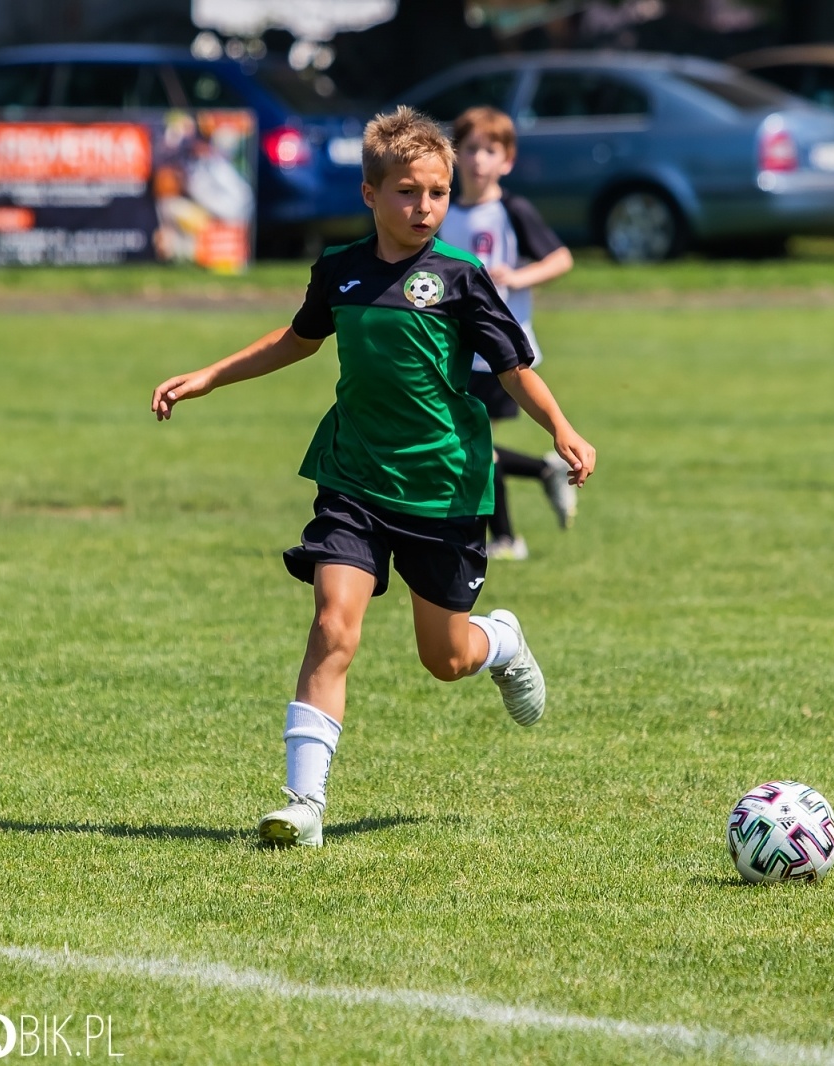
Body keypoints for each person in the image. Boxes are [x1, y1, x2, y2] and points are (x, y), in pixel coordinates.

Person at [150, 107, 596, 845]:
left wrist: (564, 430)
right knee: (333, 624)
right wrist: (208, 376)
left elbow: (515, 371)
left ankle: (504, 643)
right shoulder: (342, 272)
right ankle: (303, 804)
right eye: (407, 192)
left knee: (444, 658)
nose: (424, 208)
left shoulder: (462, 279)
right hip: (354, 478)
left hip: (442, 488)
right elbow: (295, 341)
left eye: (438, 193)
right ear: (370, 194)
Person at [438, 105, 577, 561]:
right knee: (470, 441)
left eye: (489, 150)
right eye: (471, 149)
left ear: (507, 160)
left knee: (476, 442)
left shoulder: (511, 210)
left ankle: (505, 538)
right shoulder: (441, 210)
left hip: (501, 348)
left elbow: (561, 258)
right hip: (454, 348)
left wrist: (517, 278)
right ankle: (542, 471)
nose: (479, 159)